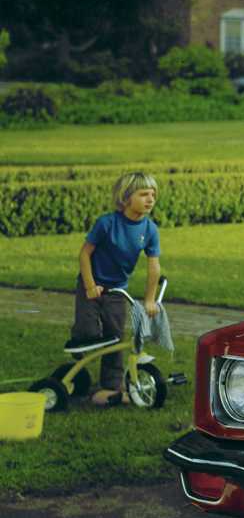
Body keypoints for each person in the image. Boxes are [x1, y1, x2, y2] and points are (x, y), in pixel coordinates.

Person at [73, 171, 161, 405]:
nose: (150, 199)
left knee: (115, 337)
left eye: (153, 194)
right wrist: (90, 285)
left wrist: (150, 299)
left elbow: (154, 267)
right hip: (91, 284)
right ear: (125, 197)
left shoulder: (149, 230)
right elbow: (85, 253)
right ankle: (78, 341)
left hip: (117, 291)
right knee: (88, 332)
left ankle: (111, 386)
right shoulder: (107, 223)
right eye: (144, 194)